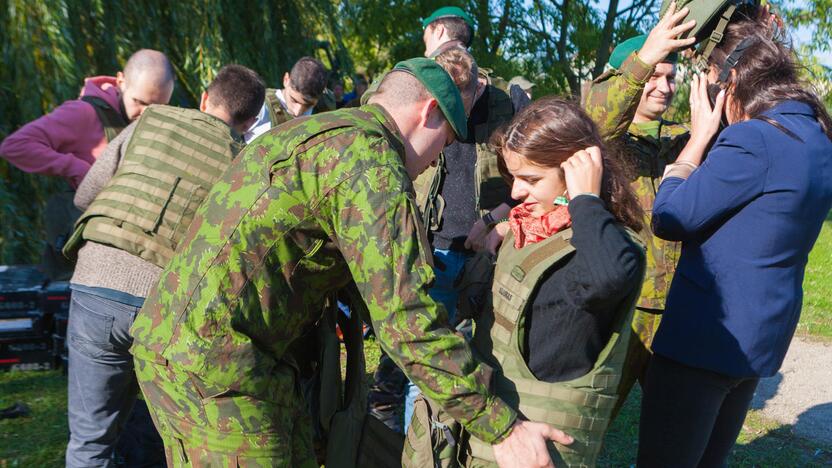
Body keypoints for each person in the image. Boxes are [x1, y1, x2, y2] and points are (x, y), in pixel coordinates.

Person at [129, 56, 574, 467]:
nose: (434, 163)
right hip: (211, 366)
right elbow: (406, 319)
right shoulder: (373, 166)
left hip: (234, 353)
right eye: (444, 146)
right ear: (430, 113)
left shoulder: (317, 132)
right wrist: (502, 426)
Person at [405, 97, 646, 467]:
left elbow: (610, 276)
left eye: (531, 179)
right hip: (494, 435)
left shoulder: (606, 246)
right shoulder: (530, 228)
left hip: (540, 451)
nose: (515, 192)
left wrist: (585, 200)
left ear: (578, 169)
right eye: (513, 178)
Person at [638, 17, 832, 467]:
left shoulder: (754, 139)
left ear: (733, 82)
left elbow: (670, 216)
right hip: (757, 339)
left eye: (710, 80)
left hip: (703, 340)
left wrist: (696, 143)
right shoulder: (818, 137)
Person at [60, 64, 264, 468]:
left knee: (90, 441)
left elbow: (86, 196)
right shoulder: (245, 164)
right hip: (167, 308)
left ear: (205, 98)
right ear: (251, 121)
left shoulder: (152, 119)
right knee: (171, 437)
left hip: (96, 285)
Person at [583, 1, 696, 405]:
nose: (665, 87)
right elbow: (596, 117)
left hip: (679, 306)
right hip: (623, 306)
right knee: (595, 414)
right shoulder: (604, 140)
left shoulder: (687, 137)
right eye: (654, 76)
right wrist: (645, 56)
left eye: (671, 76)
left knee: (676, 424)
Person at [0, 49, 175, 279]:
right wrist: (78, 169)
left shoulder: (157, 121)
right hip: (82, 262)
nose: (145, 115)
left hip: (128, 260)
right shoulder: (83, 113)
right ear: (121, 81)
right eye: (139, 102)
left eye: (156, 108)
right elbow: (15, 146)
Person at [244, 56, 327, 143]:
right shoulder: (258, 106)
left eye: (308, 105)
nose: (297, 112)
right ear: (286, 80)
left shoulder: (324, 109)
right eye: (294, 100)